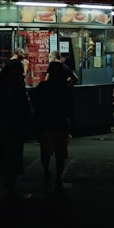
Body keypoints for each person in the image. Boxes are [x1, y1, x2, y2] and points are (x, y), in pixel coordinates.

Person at [29, 61, 74, 192]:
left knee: (45, 152)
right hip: (60, 124)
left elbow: (34, 101)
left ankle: (47, 171)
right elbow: (69, 107)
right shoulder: (64, 89)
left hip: (46, 123)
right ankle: (58, 177)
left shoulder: (43, 86)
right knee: (60, 154)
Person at [0, 47, 31, 193]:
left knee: (5, 152)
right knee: (15, 151)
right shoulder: (19, 92)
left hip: (4, 126)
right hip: (15, 126)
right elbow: (26, 110)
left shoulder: (1, 90)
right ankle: (12, 178)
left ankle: (8, 178)